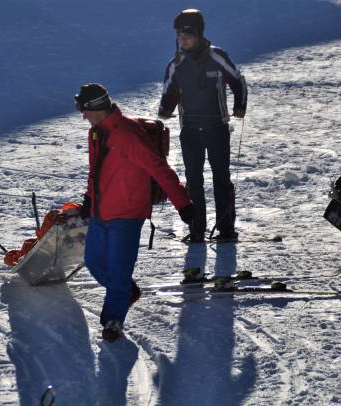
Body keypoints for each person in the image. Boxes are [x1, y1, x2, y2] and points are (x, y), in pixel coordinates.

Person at [76, 83, 194, 342]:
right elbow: (95, 171)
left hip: (127, 214)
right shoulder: (96, 133)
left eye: (84, 109)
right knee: (94, 262)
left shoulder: (129, 135)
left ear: (96, 107)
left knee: (119, 270)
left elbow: (158, 168)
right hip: (100, 211)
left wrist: (182, 203)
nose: (82, 115)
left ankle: (113, 321)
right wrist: (88, 199)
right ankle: (126, 291)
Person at [158, 9, 247, 243]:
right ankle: (196, 228)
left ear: (198, 34)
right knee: (194, 180)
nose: (182, 41)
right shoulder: (176, 63)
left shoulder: (217, 56)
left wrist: (240, 104)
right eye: (179, 37)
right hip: (190, 129)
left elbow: (238, 80)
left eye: (186, 36)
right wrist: (165, 109)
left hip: (216, 126)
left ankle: (226, 228)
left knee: (221, 178)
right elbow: (169, 90)